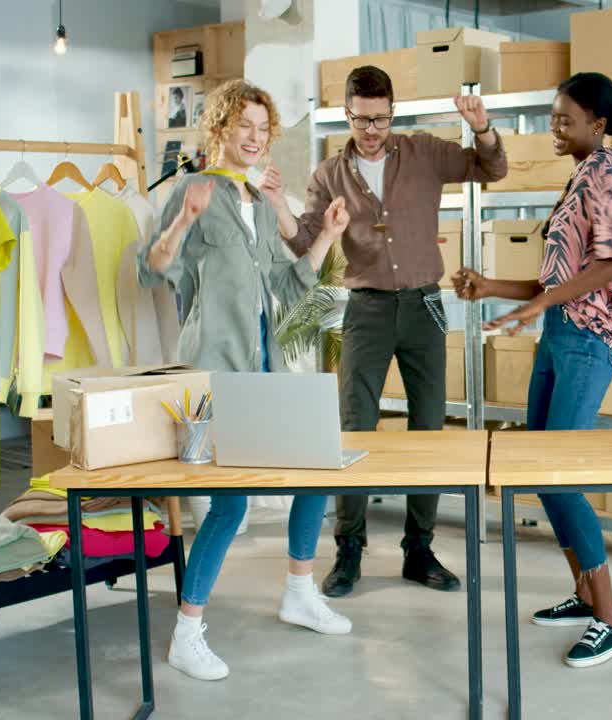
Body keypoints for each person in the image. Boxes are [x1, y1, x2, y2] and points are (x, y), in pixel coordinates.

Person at [138, 79, 352, 681]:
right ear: (220, 129)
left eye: (263, 128)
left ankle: (300, 591)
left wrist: (328, 235)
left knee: (315, 467)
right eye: (244, 127)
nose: (255, 138)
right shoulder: (193, 192)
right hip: (215, 370)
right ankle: (187, 634)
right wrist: (184, 219)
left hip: (267, 368)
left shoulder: (259, 201)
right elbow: (152, 268)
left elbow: (290, 286)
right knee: (229, 506)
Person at [280, 65, 508, 598]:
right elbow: (303, 244)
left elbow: (492, 169)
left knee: (428, 425)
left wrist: (482, 127)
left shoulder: (424, 152)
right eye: (362, 120)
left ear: (392, 113)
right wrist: (277, 206)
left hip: (425, 305)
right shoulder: (328, 175)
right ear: (347, 114)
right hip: (366, 309)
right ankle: (349, 550)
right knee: (354, 427)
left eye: (381, 119)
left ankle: (419, 549)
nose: (372, 130)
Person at [453, 72, 612, 668]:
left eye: (565, 118)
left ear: (598, 124)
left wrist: (543, 303)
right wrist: (491, 287)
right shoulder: (579, 178)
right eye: (552, 116)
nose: (555, 127)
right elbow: (554, 281)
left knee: (558, 474)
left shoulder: (604, 174)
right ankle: (584, 595)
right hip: (560, 331)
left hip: (587, 339)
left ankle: (611, 620)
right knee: (539, 467)